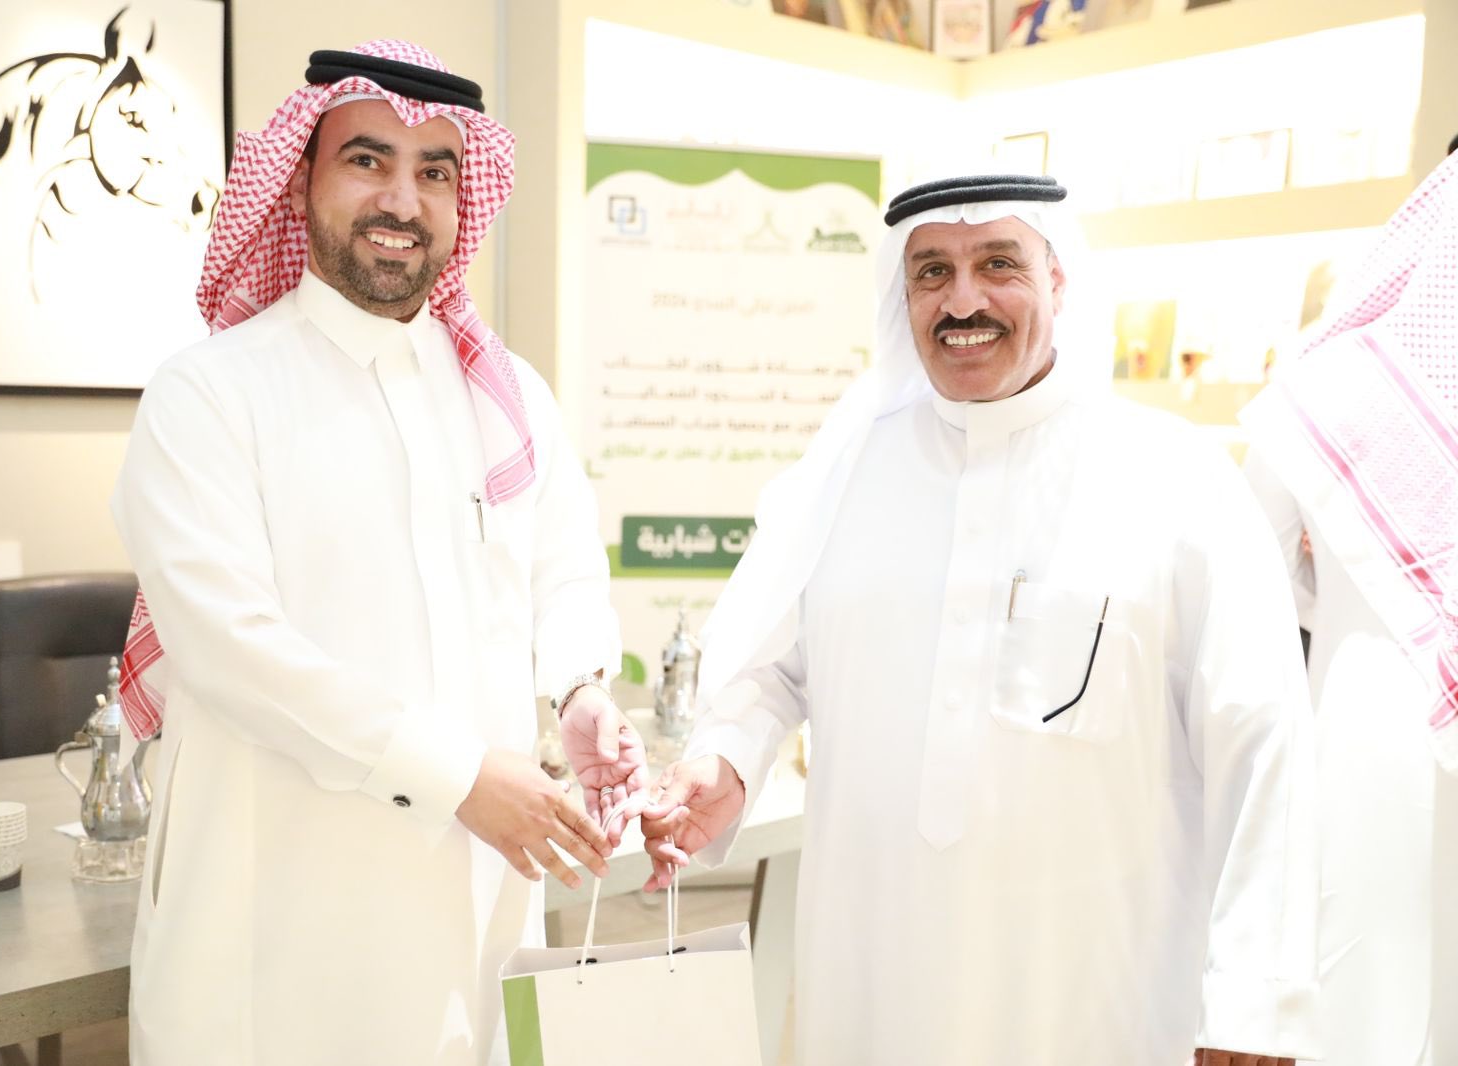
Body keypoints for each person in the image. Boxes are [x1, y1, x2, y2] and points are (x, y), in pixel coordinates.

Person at [641, 174, 1321, 1065]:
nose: (963, 301)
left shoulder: (1178, 480)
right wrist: (728, 757)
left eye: (999, 264)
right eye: (932, 271)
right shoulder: (844, 477)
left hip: (1097, 1001)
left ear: (1058, 280)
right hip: (873, 984)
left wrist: (1254, 1003)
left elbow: (1264, 741)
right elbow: (772, 668)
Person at [111, 40, 643, 1066]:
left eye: (435, 171)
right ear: (301, 178)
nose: (403, 200)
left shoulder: (510, 394)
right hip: (278, 925)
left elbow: (563, 573)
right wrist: (460, 778)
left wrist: (581, 691)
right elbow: (231, 648)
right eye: (367, 160)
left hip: (476, 899)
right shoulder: (211, 393)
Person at [1242, 150, 1458, 1066]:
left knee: (1367, 1006)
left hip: (1362, 736)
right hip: (1375, 757)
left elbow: (1254, 587)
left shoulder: (1320, 392)